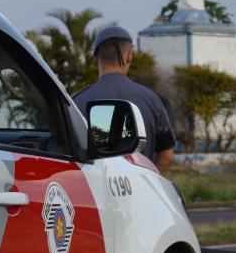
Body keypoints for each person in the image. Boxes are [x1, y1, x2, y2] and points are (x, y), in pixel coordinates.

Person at [73, 26, 176, 173]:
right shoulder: (152, 100)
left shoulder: (79, 101)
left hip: (96, 192)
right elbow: (166, 155)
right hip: (141, 190)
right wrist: (151, 179)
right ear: (129, 56)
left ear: (96, 57)